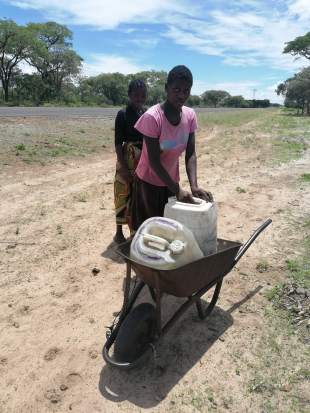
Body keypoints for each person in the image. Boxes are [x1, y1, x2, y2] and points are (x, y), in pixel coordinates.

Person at [130, 65, 213, 236]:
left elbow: (190, 154)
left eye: (186, 91)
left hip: (170, 183)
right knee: (147, 233)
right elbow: (154, 161)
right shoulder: (153, 117)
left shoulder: (189, 116)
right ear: (167, 88)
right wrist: (177, 191)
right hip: (148, 184)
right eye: (177, 89)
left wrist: (193, 185)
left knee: (168, 231)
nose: (181, 95)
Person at [113, 79, 147, 243]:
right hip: (126, 159)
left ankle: (136, 231)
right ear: (129, 95)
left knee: (138, 195)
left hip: (142, 159)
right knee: (122, 192)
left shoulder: (146, 112)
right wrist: (124, 168)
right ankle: (119, 232)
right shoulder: (123, 114)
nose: (140, 98)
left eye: (143, 95)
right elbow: (118, 142)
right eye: (136, 95)